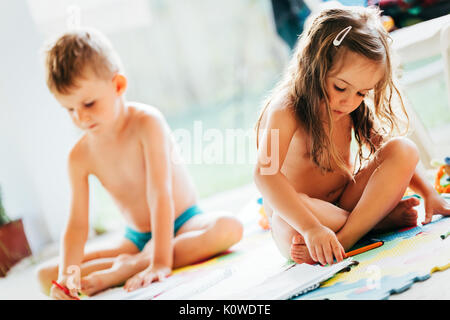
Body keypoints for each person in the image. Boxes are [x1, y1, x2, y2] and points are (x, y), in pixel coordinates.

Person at [36, 28, 243, 299]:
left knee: (229, 227)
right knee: (47, 276)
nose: (81, 118)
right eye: (70, 110)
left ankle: (128, 268)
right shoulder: (79, 156)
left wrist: (159, 262)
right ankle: (130, 262)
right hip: (135, 239)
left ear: (118, 86)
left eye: (88, 103)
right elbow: (77, 224)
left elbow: (160, 193)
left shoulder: (147, 122)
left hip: (183, 223)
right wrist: (67, 278)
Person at [254, 6, 450, 266]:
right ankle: (373, 220)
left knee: (404, 149)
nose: (349, 101)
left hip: (346, 199)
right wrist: (312, 228)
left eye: (361, 93)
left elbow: (392, 158)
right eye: (341, 87)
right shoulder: (285, 108)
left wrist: (428, 193)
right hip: (301, 217)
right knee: (292, 231)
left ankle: (345, 238)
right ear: (315, 64)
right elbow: (264, 174)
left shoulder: (350, 107)